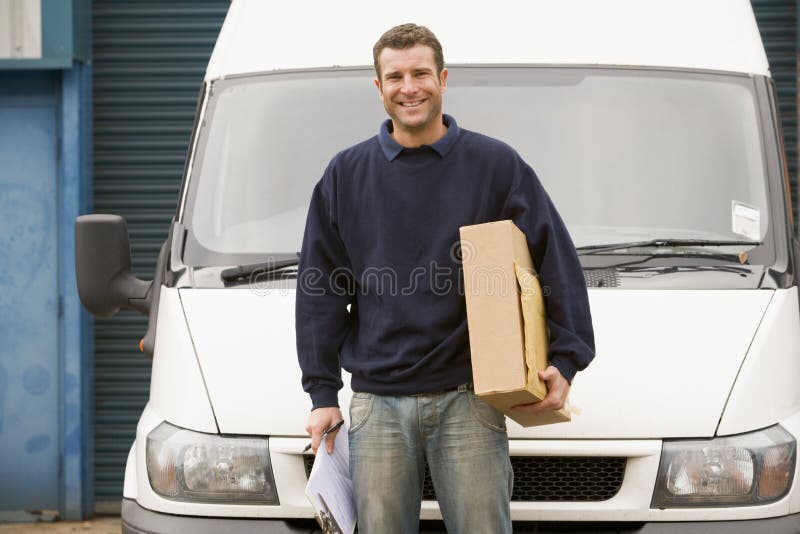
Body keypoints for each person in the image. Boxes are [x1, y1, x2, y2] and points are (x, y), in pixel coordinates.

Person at [295, 23, 595, 534]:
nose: (408, 87)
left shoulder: (494, 165)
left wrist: (566, 358)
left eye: (420, 73)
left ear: (443, 78)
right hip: (377, 405)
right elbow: (319, 290)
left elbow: (555, 262)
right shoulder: (346, 174)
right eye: (395, 76)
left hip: (469, 400)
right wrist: (322, 393)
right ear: (379, 87)